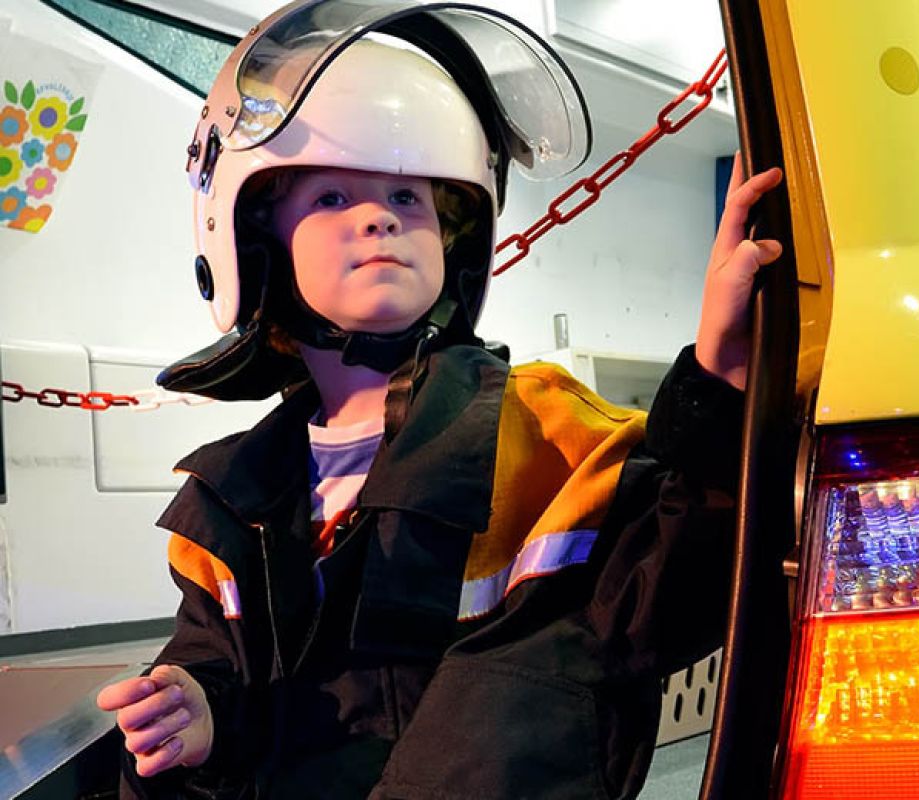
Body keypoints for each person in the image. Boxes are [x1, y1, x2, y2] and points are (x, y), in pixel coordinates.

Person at [92, 1, 783, 797]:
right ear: (254, 241)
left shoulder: (548, 433)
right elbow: (222, 673)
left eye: (409, 197)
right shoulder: (225, 502)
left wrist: (717, 381)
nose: (379, 216)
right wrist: (200, 717)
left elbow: (671, 597)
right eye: (328, 199)